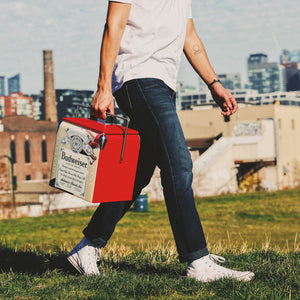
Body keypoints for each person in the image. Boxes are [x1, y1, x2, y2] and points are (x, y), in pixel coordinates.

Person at [67, 0, 254, 282]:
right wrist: (103, 87)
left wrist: (214, 84)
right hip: (138, 78)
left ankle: (88, 245)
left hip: (163, 84)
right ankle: (197, 260)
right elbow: (113, 24)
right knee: (178, 165)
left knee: (138, 172)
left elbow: (190, 37)